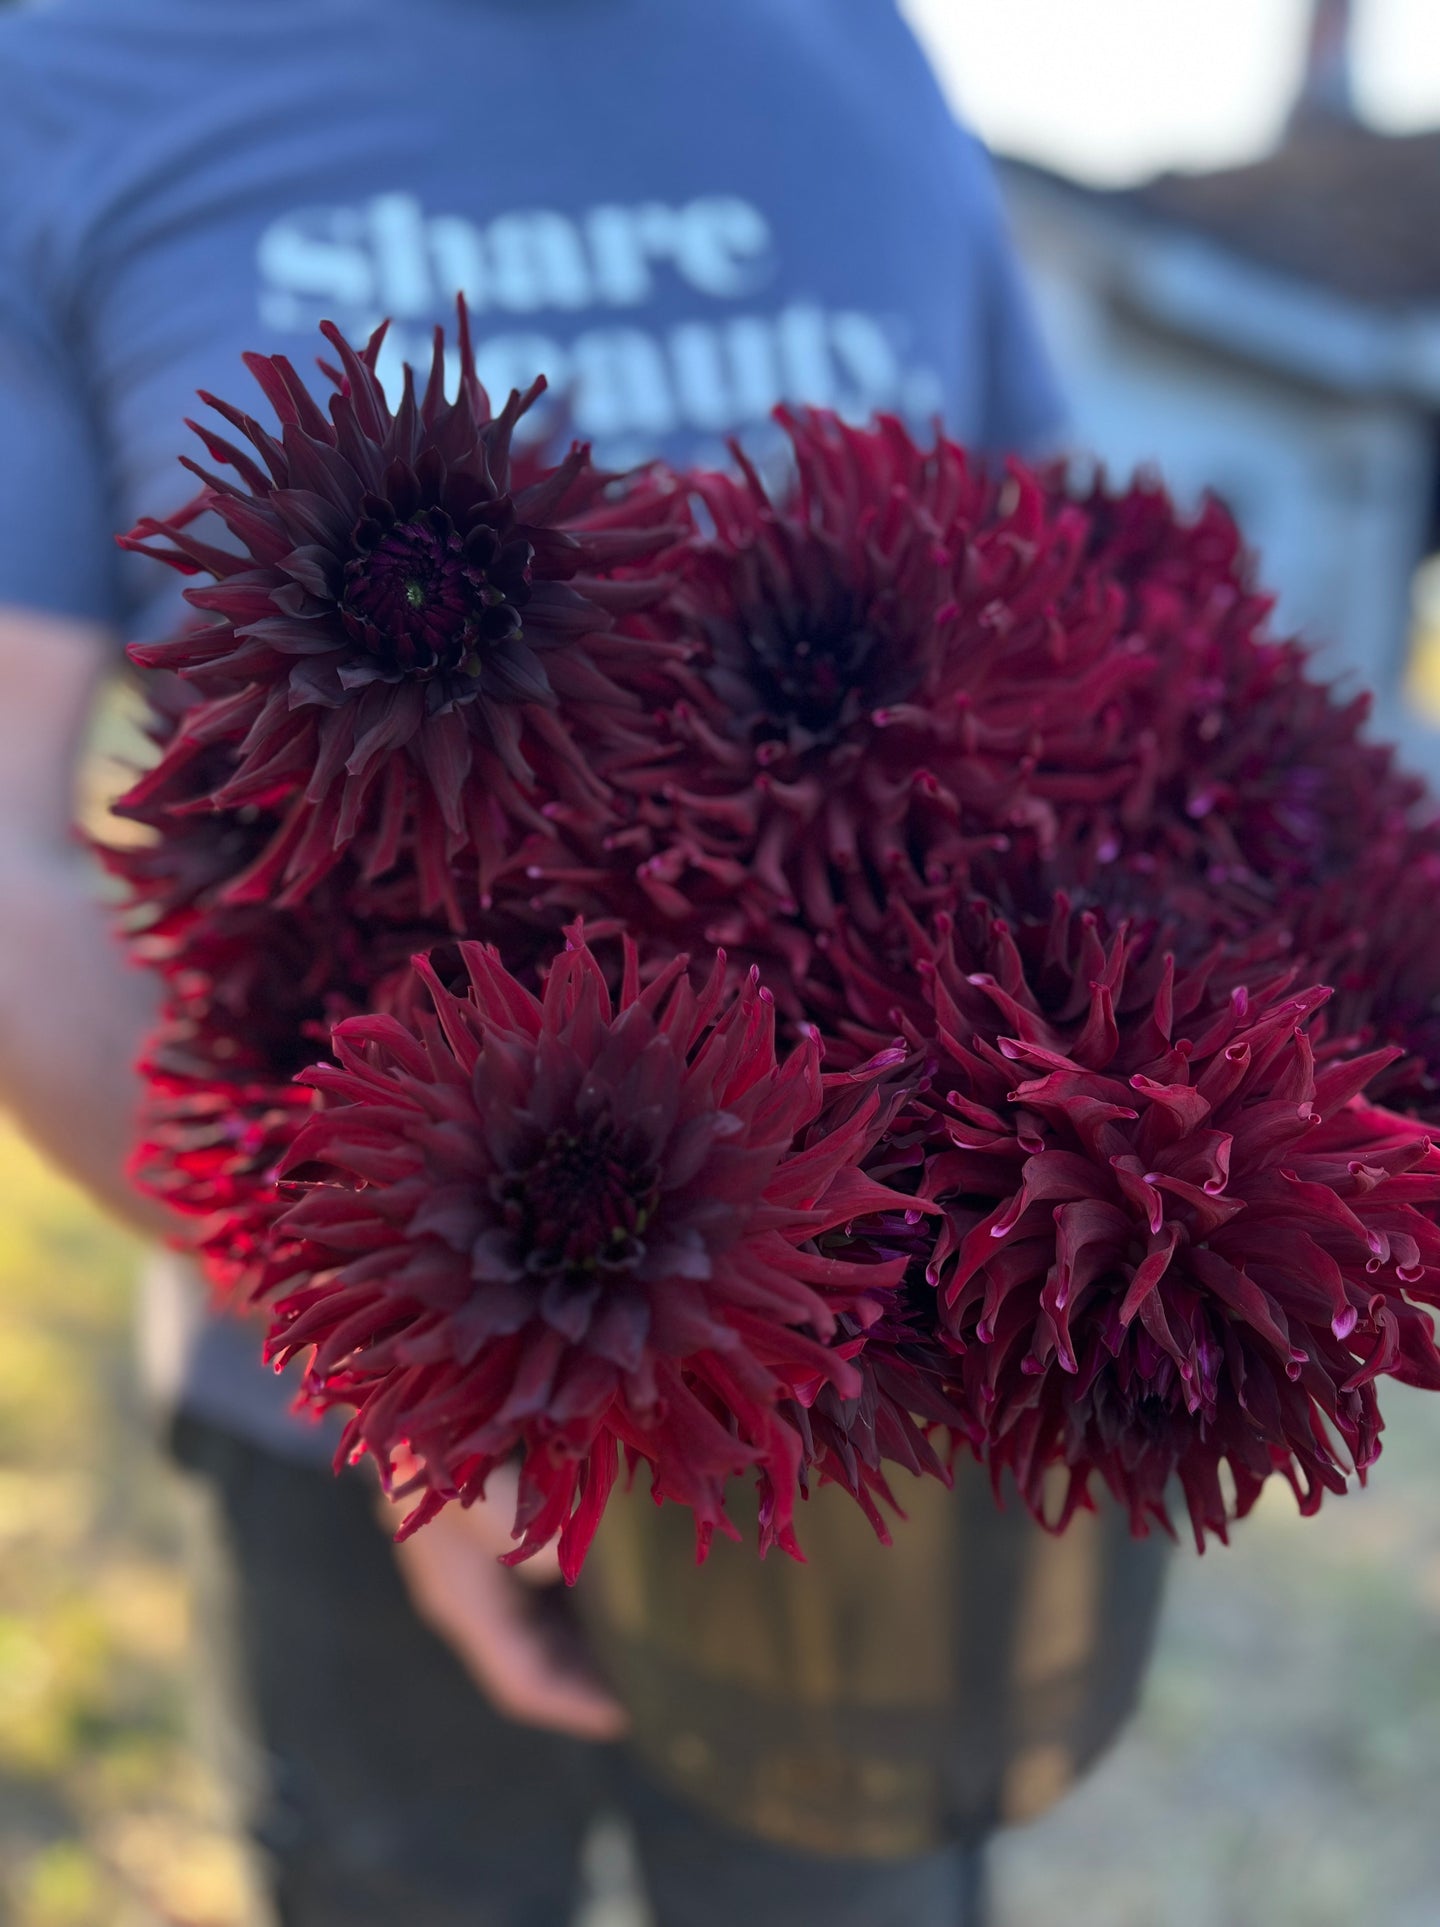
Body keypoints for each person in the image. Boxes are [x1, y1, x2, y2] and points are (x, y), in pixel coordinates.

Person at [0, 2, 1071, 1921]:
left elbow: (1072, 657)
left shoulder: (860, 50)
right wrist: (434, 1358)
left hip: (861, 1417)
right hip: (345, 1401)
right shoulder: (66, 69)